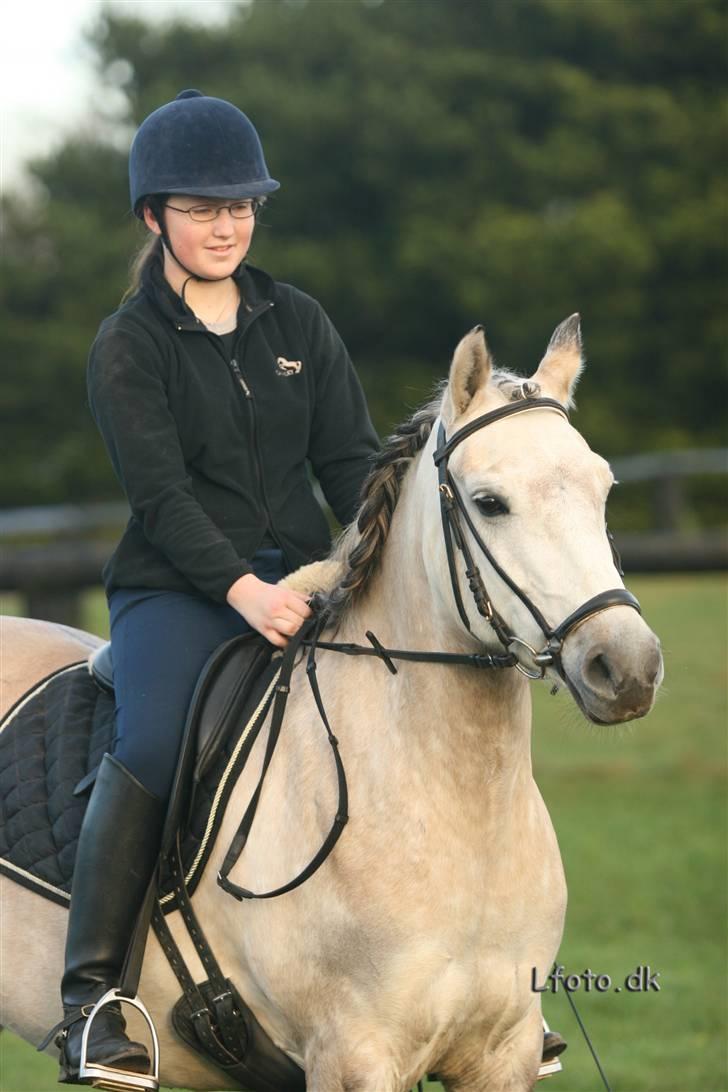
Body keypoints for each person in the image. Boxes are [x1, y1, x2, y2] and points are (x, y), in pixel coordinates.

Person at [52, 89, 380, 1084]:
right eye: (201, 208)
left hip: (306, 581)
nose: (225, 226)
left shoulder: (300, 321)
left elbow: (354, 466)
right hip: (178, 592)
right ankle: (94, 999)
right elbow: (160, 497)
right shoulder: (128, 344)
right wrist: (243, 591)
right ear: (153, 216)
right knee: (151, 742)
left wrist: (377, 560)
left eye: (239, 207)